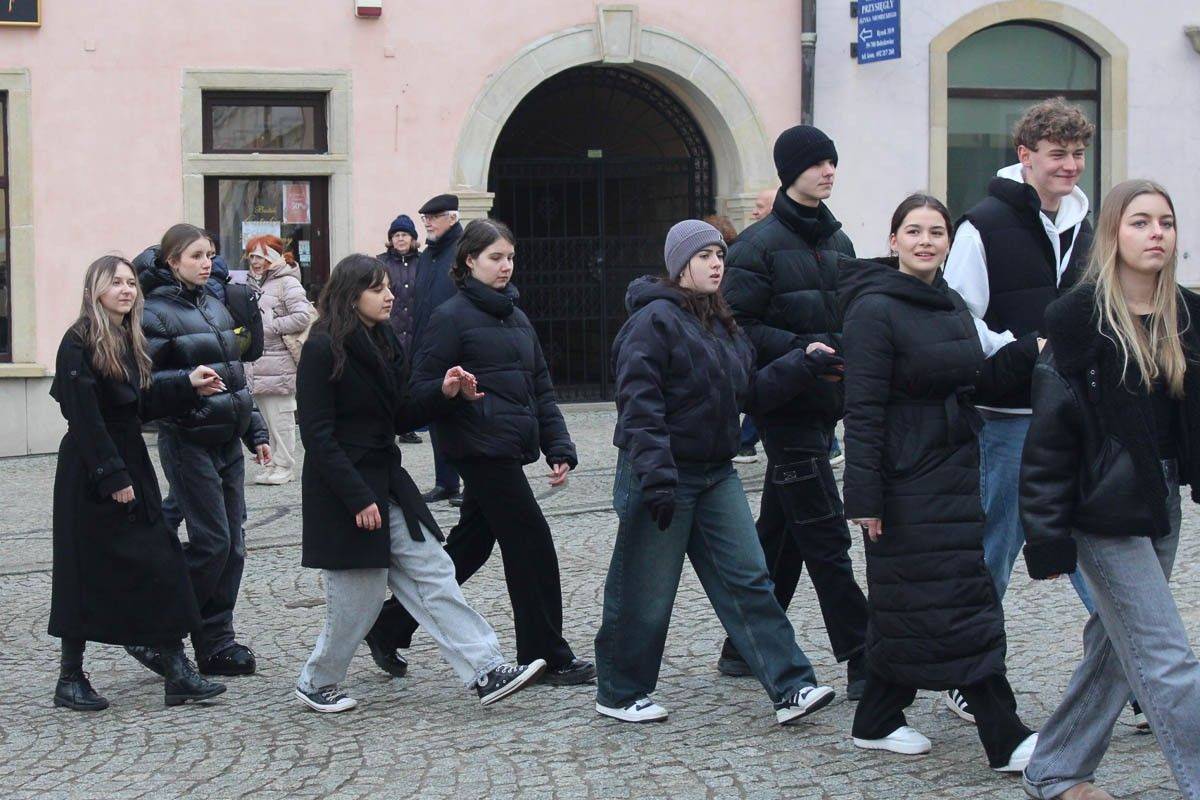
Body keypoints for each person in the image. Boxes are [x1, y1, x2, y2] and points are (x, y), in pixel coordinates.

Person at [595, 219, 842, 724]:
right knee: (646, 591)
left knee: (750, 579)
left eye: (720, 256)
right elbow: (639, 405)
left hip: (715, 474)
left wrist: (802, 362)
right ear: (679, 263)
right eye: (705, 255)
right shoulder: (653, 321)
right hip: (661, 474)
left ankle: (791, 687)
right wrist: (656, 475)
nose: (716, 264)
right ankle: (620, 692)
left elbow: (748, 392)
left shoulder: (720, 322)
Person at [293, 253, 546, 712]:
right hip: (344, 491)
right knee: (359, 600)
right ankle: (316, 680)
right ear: (352, 296)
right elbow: (318, 435)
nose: (390, 296)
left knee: (433, 571)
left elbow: (403, 414)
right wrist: (356, 498)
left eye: (389, 287)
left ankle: (486, 668)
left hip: (389, 482)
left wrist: (445, 391)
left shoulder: (384, 340)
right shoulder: (321, 348)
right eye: (378, 289)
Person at [839, 195, 1039, 771]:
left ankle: (876, 717)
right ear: (894, 239)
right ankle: (1004, 736)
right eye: (914, 231)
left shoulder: (948, 301)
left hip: (952, 470)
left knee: (915, 602)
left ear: (948, 243)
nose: (926, 241)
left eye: (936, 232)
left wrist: (1030, 350)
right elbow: (864, 408)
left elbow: (975, 378)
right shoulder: (873, 310)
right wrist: (865, 498)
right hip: (906, 482)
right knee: (957, 601)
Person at [1019, 180, 1200, 800]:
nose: (1156, 233)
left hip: (1162, 499)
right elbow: (1048, 441)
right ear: (1114, 234)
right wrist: (1045, 536)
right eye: (1141, 222)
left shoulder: (1189, 313)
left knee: (1116, 645)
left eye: (1166, 222)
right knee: (1166, 655)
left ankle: (1056, 768)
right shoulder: (1077, 322)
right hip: (1100, 509)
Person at [379, 218, 595, 687]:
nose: (505, 266)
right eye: (495, 257)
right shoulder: (450, 317)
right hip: (477, 448)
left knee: (470, 547)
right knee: (532, 542)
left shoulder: (516, 317)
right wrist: (452, 391)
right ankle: (546, 654)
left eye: (510, 257)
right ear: (469, 260)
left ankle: (389, 624)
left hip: (509, 446)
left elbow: (540, 386)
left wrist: (558, 444)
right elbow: (420, 392)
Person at [943, 96, 1097, 723]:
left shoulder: (1088, 224)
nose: (1070, 166)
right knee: (995, 549)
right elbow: (960, 312)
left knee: (1095, 546)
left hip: (1077, 414)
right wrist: (1022, 353)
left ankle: (1138, 672)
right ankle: (969, 672)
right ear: (1025, 155)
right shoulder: (982, 223)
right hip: (1006, 417)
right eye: (1058, 155)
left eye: (1078, 154)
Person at [719, 125, 869, 696]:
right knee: (827, 532)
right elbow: (739, 326)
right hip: (783, 405)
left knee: (783, 528)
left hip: (828, 401)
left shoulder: (841, 243)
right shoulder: (755, 247)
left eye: (832, 162)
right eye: (817, 164)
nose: (829, 171)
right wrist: (802, 351)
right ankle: (863, 657)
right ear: (791, 172)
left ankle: (742, 645)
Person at [49, 255, 228, 710]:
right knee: (81, 571)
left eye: (131, 283)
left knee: (162, 562)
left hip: (131, 462)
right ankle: (70, 678)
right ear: (97, 289)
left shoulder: (128, 339)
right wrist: (112, 476)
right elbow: (84, 417)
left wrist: (188, 383)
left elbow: (140, 403)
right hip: (92, 471)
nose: (127, 290)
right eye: (117, 283)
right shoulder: (78, 341)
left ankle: (176, 670)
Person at [132, 223, 270, 678]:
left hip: (226, 440)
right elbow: (143, 388)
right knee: (212, 544)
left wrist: (256, 430)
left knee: (234, 548)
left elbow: (234, 374)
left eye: (209, 254)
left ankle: (215, 642)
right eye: (195, 255)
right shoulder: (153, 313)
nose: (206, 262)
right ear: (172, 262)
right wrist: (186, 386)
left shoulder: (214, 302)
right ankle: (155, 630)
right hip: (187, 439)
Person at [244, 235, 313, 485]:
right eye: (252, 256)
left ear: (274, 256)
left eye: (261, 256)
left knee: (281, 415)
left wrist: (269, 326)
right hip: (259, 360)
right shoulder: (252, 283)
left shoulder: (288, 283)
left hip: (280, 361)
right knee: (266, 416)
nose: (255, 261)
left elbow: (301, 316)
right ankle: (274, 463)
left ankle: (285, 465)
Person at [412, 194, 465, 504]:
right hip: (430, 348)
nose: (428, 222)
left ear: (452, 219)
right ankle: (446, 481)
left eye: (433, 217)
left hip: (458, 346)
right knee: (437, 417)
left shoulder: (463, 253)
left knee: (464, 418)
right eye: (425, 218)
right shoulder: (428, 256)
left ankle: (472, 481)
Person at [377, 213, 423, 445]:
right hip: (389, 331)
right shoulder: (381, 263)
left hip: (415, 331)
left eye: (404, 234)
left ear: (413, 238)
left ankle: (407, 426)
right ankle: (386, 424)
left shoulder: (423, 263)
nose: (400, 239)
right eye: (396, 235)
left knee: (411, 380)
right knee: (388, 379)